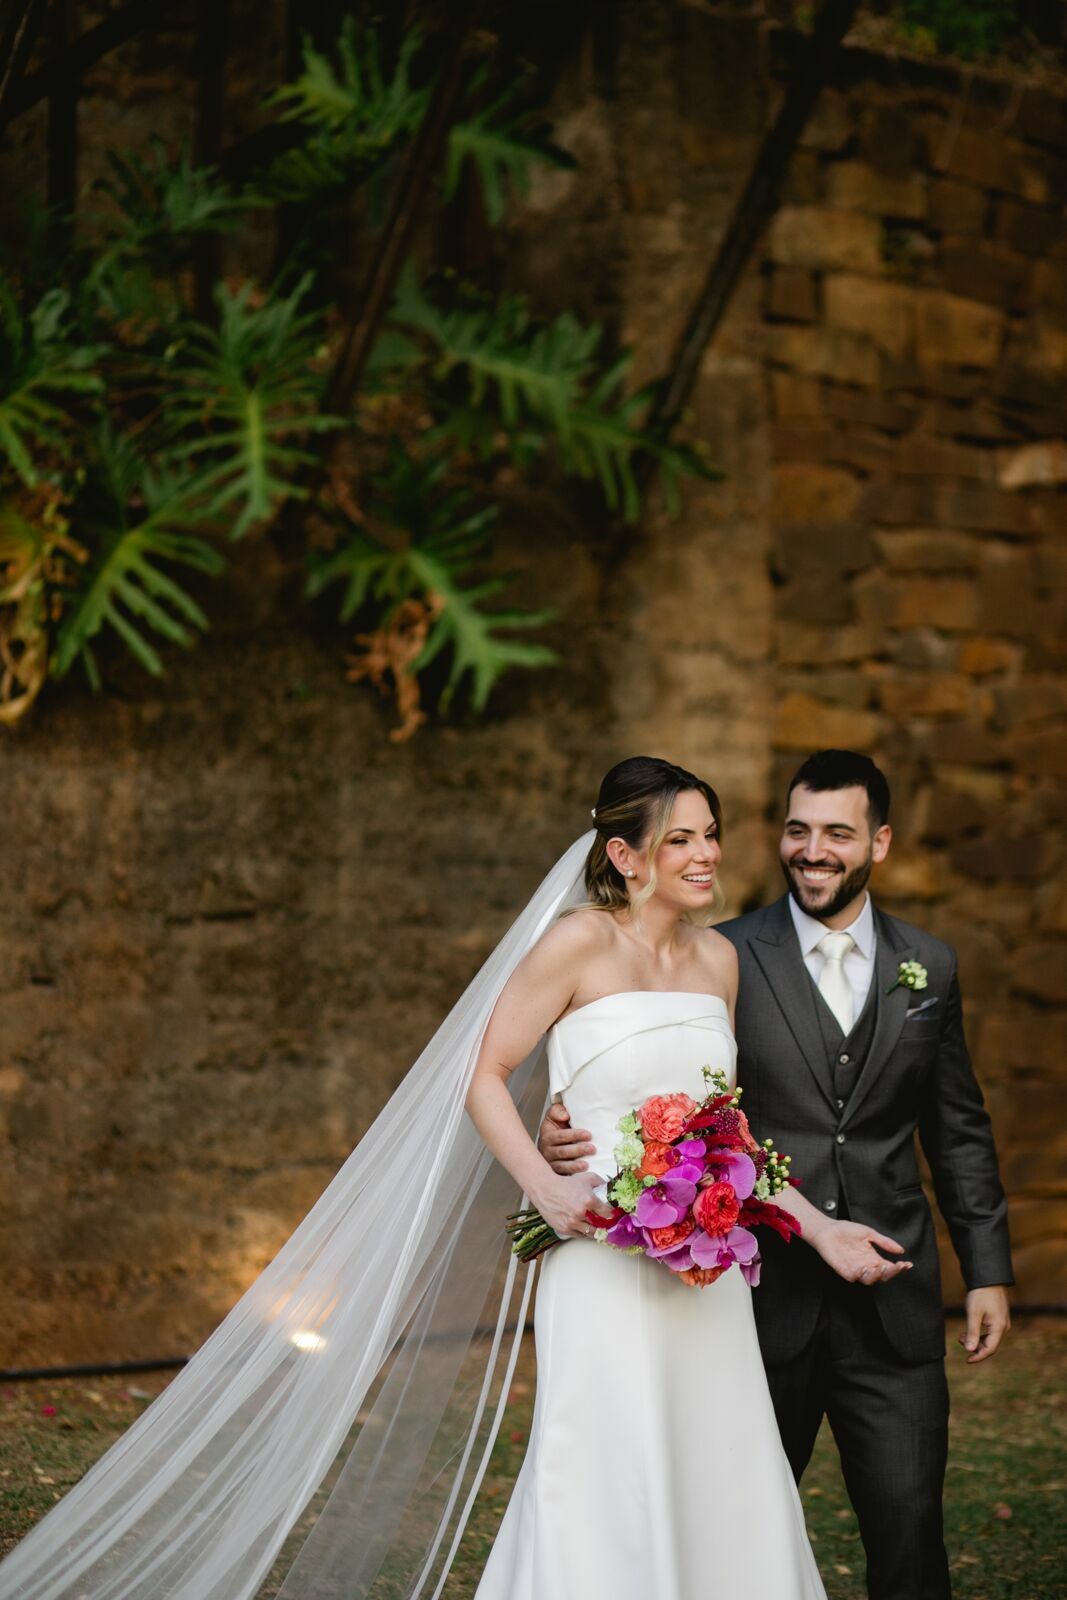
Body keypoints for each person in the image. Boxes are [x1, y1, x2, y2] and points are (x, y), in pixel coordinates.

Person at [1, 755, 840, 1600]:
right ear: (623, 855)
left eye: (710, 835)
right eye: (680, 840)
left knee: (719, 1449)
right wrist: (544, 1185)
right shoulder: (578, 942)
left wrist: (818, 1227)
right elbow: (481, 1073)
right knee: (601, 1457)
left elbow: (725, 1127)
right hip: (599, 1253)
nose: (706, 855)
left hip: (703, 1269)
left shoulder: (717, 961)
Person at [542, 748, 1013, 1600]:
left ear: (879, 843)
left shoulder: (928, 967)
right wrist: (565, 1116)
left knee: (909, 1531)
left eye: (837, 833)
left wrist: (987, 1270)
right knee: (730, 1526)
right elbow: (670, 1089)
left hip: (891, 1297)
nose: (812, 850)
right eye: (797, 830)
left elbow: (957, 1129)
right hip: (753, 1296)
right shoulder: (717, 952)